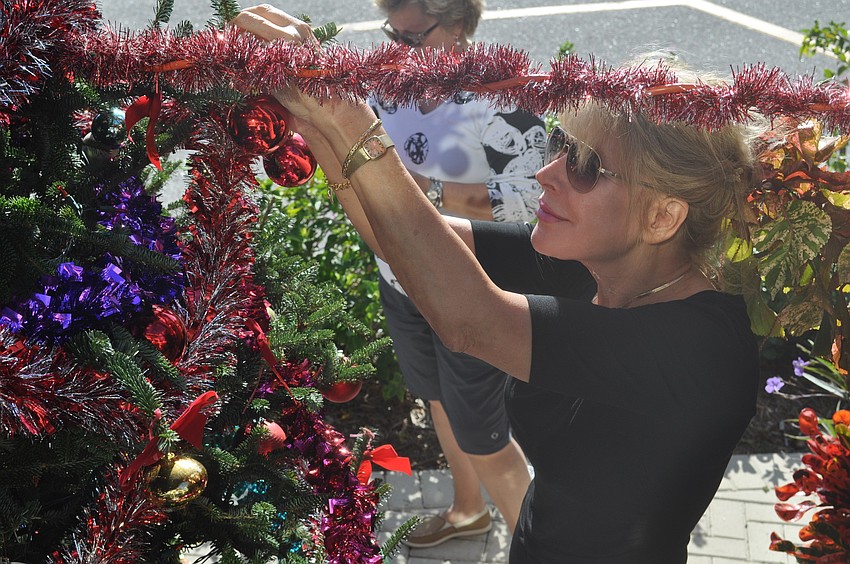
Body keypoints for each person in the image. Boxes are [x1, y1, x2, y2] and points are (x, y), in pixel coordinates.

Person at [234, 7, 763, 562]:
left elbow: (469, 320)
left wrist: (348, 117)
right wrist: (318, 124)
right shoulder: (600, 267)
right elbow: (404, 238)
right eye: (561, 145)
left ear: (663, 216)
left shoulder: (702, 348)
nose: (545, 172)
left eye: (583, 164)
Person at [365, 0, 543, 547]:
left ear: (461, 22)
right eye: (393, 36)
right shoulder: (386, 78)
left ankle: (535, 549)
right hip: (400, 278)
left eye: (414, 39)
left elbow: (536, 197)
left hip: (472, 287)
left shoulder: (504, 92)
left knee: (483, 433)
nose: (400, 52)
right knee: (438, 399)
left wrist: (432, 195)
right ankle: (469, 511)